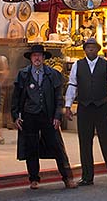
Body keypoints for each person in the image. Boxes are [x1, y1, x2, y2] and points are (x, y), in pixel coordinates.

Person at [65, 37, 107, 187]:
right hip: (84, 107)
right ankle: (87, 177)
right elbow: (72, 85)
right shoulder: (77, 65)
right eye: (88, 47)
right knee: (84, 143)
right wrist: (68, 105)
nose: (91, 49)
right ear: (84, 50)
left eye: (93, 47)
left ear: (98, 49)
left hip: (101, 107)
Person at [11, 43, 75, 189]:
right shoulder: (24, 74)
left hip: (47, 115)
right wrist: (15, 116)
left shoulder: (53, 74)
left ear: (44, 57)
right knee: (31, 147)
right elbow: (16, 97)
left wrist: (58, 116)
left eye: (39, 55)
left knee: (57, 146)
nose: (37, 58)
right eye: (34, 56)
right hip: (29, 115)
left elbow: (59, 97)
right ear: (31, 58)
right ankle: (33, 178)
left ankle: (67, 177)